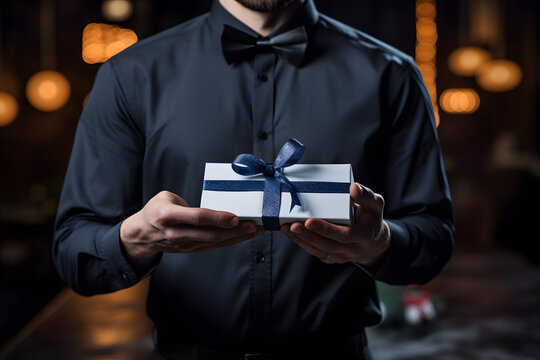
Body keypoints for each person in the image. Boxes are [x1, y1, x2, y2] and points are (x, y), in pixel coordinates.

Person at [53, 0, 455, 358]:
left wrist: (378, 242)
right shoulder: (130, 75)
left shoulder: (392, 74)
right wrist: (136, 238)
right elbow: (75, 253)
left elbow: (433, 239)